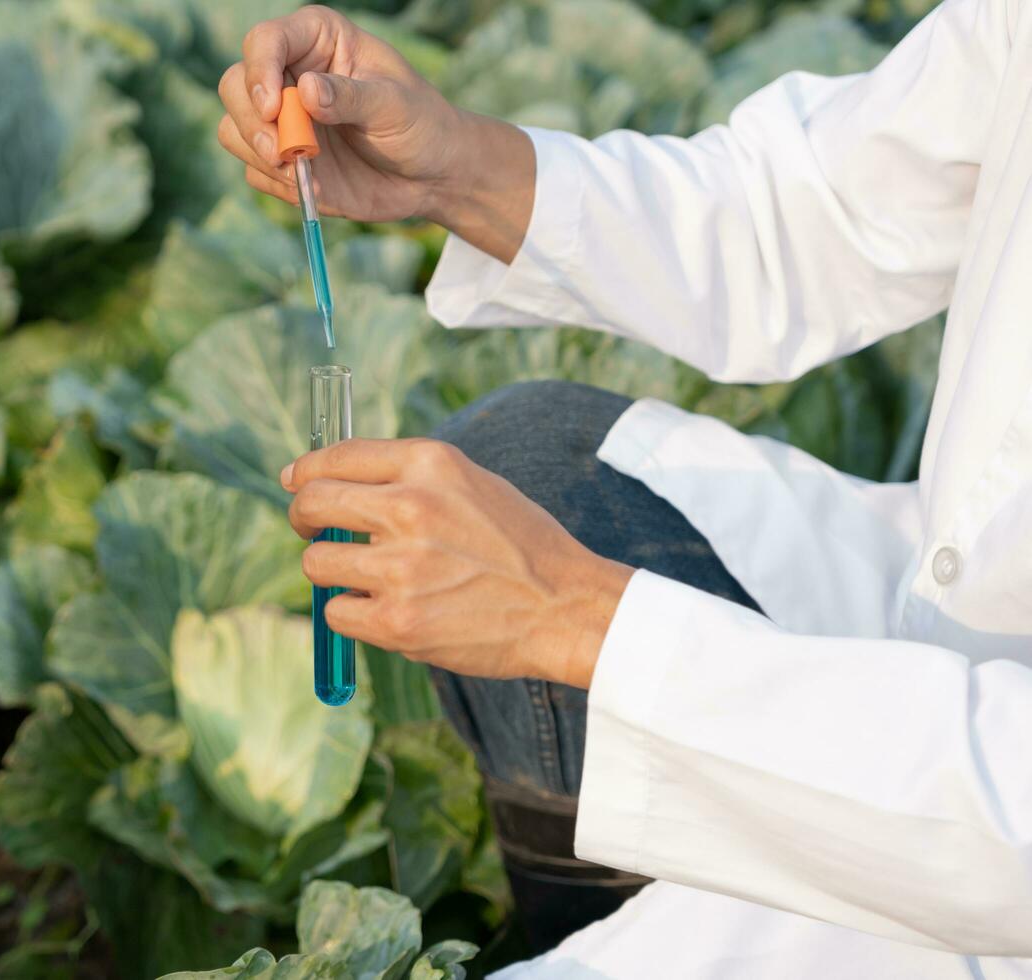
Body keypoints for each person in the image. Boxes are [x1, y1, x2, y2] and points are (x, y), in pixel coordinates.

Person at [217, 2, 1032, 977]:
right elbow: (820, 206)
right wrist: (461, 165)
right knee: (533, 464)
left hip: (996, 837)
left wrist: (570, 617)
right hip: (945, 664)